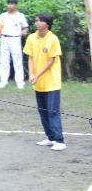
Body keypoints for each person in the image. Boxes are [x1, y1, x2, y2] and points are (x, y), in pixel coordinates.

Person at [25, 14, 64, 151]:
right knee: (43, 111)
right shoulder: (31, 38)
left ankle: (59, 140)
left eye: (40, 20)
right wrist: (31, 74)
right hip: (38, 83)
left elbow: (51, 61)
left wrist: (37, 75)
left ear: (46, 24)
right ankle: (50, 137)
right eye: (36, 20)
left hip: (51, 82)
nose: (37, 23)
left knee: (53, 111)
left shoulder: (53, 39)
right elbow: (30, 58)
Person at [0, 0, 28, 89]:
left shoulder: (20, 15)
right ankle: (3, 81)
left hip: (15, 39)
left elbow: (25, 27)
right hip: (4, 38)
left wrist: (24, 32)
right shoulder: (3, 15)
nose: (10, 6)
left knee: (17, 60)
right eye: (9, 4)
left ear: (16, 5)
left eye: (12, 4)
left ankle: (20, 82)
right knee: (3, 61)